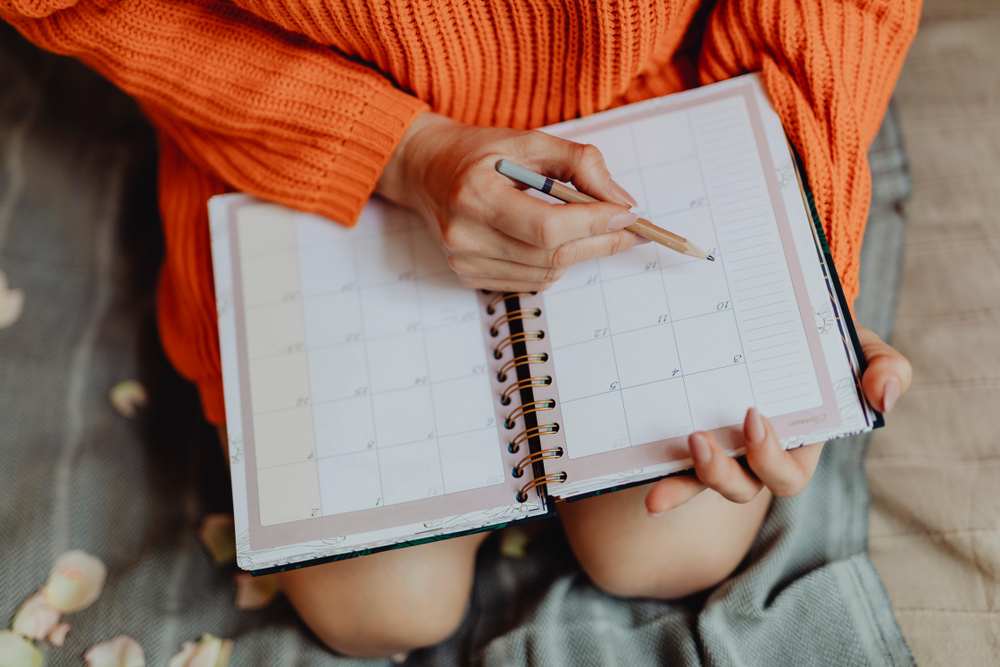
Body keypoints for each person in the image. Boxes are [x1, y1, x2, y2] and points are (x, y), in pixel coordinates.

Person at [3, 0, 918, 658]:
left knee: (674, 544)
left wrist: (786, 245)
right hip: (299, 133)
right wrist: (398, 151)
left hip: (640, 118)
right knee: (380, 608)